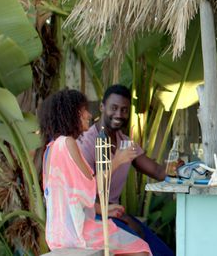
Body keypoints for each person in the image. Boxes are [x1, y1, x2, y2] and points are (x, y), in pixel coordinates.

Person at [39, 89, 151, 255]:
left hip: (57, 235)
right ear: (73, 113)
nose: (89, 115)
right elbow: (91, 185)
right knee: (141, 248)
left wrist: (104, 210)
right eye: (84, 110)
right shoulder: (68, 143)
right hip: (78, 234)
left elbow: (72, 196)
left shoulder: (52, 147)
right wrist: (118, 160)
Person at [78, 85, 173, 256]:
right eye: (114, 108)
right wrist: (118, 159)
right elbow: (84, 188)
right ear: (102, 107)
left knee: (162, 251)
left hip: (115, 213)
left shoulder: (125, 142)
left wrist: (177, 169)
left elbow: (158, 171)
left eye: (124, 110)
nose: (119, 114)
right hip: (92, 217)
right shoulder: (87, 142)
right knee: (143, 247)